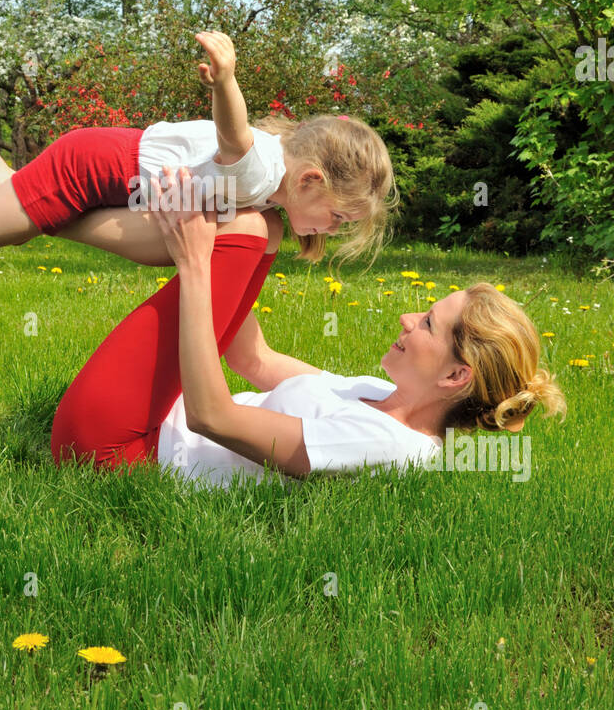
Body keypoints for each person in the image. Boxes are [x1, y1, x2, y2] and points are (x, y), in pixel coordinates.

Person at [50, 166, 567, 487]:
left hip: (115, 450)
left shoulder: (387, 446)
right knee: (261, 227)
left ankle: (38, 210)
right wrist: (240, 257)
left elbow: (211, 416)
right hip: (155, 419)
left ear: (457, 376)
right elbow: (255, 360)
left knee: (242, 231)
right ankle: (37, 208)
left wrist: (196, 266)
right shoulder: (376, 395)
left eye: (429, 324)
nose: (408, 318)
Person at [0, 31, 395, 283]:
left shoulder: (276, 191)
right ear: (312, 178)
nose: (330, 231)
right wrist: (225, 80)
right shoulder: (265, 164)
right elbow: (234, 137)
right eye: (338, 218)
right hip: (95, 169)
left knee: (6, 207)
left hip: (114, 170)